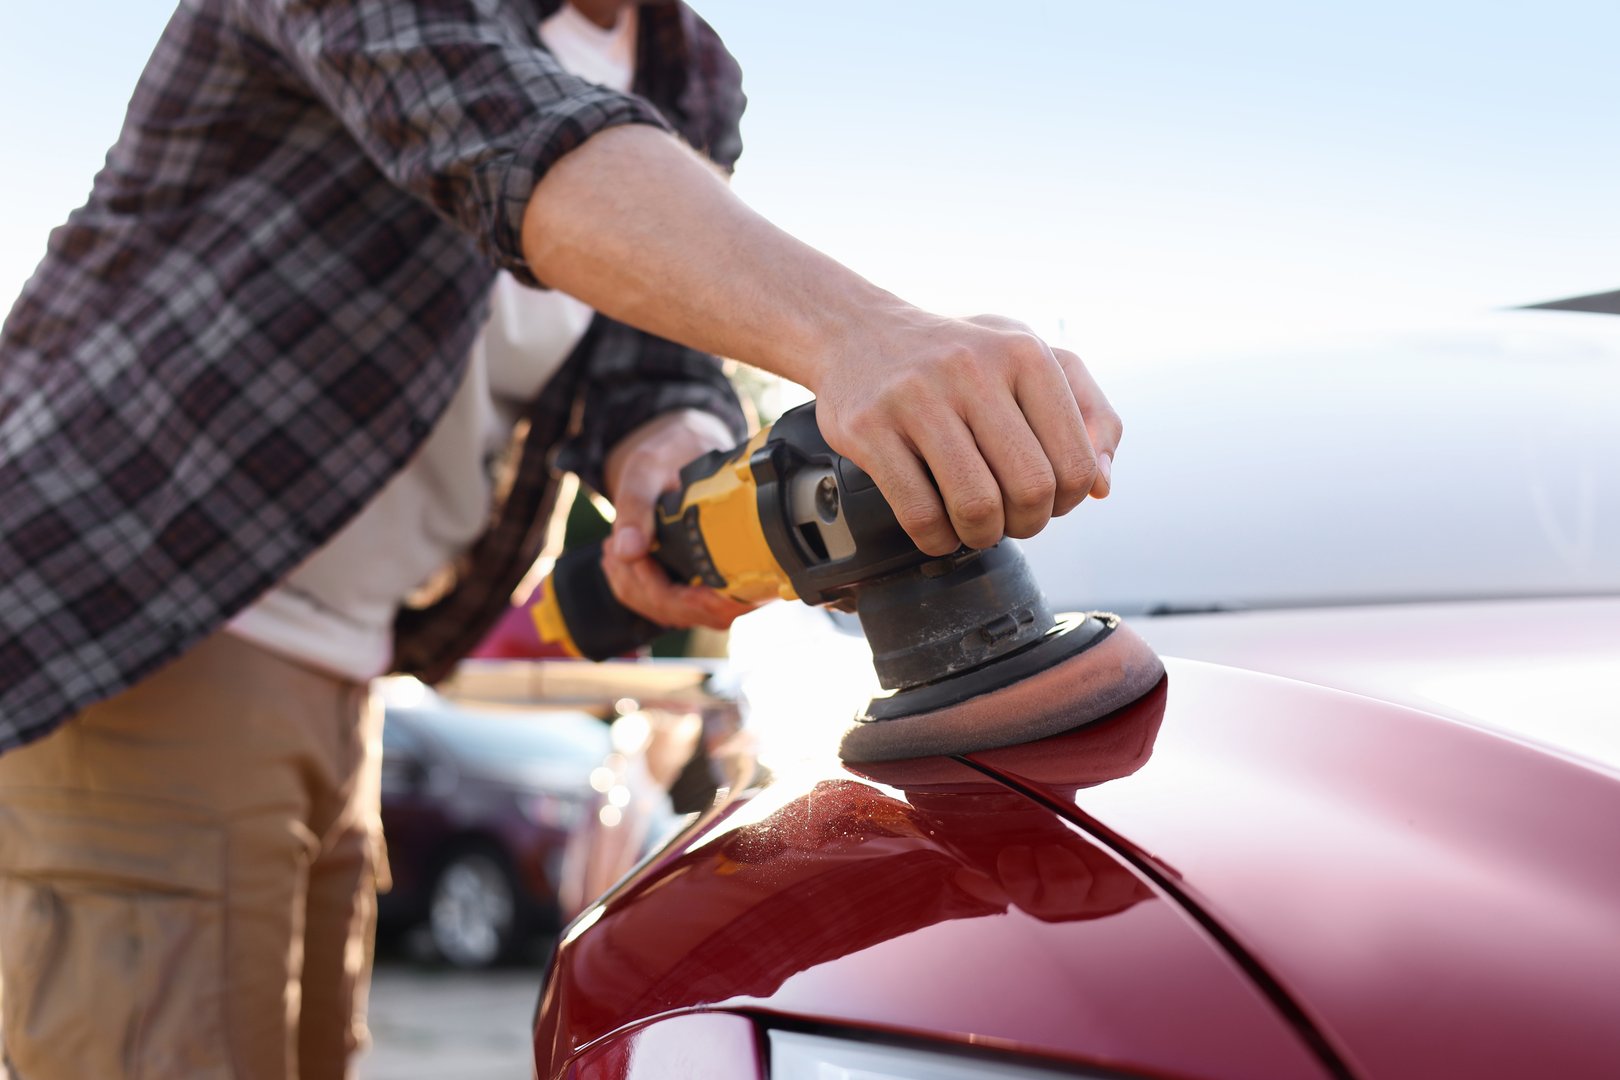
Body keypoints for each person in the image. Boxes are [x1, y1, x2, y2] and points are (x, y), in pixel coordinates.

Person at [0, 0, 1122, 1076]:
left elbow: (646, 361)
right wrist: (865, 334)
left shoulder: (690, 75)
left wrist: (672, 477)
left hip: (345, 659)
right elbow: (509, 136)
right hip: (139, 609)